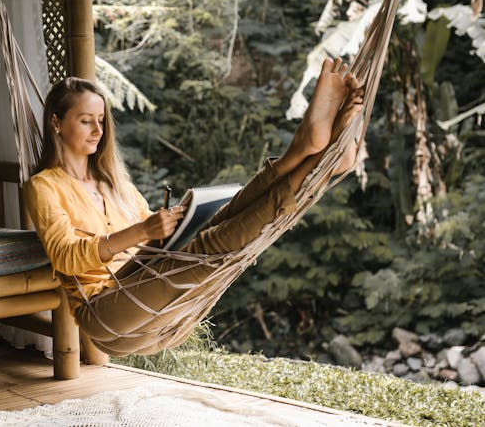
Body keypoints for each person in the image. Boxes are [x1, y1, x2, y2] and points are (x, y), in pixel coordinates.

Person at [24, 58, 364, 356]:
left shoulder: (118, 185)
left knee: (219, 220)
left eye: (101, 120)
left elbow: (153, 244)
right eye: (86, 121)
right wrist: (143, 230)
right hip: (103, 308)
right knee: (208, 249)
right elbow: (65, 258)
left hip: (142, 285)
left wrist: (168, 226)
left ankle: (303, 154)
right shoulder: (44, 186)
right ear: (57, 123)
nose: (99, 130)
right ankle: (316, 161)